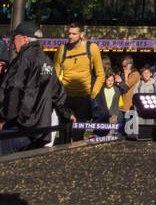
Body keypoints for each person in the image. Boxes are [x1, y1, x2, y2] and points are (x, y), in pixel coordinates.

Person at [0, 22, 67, 155]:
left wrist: (4, 118)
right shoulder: (46, 60)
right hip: (40, 131)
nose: (13, 42)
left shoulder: (23, 59)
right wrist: (68, 113)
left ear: (24, 38)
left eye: (15, 38)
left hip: (20, 127)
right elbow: (58, 92)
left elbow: (15, 89)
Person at [53, 22, 104, 124]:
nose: (70, 36)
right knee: (64, 132)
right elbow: (55, 76)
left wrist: (92, 95)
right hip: (65, 98)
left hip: (84, 99)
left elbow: (101, 75)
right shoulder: (62, 49)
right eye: (69, 33)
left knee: (78, 133)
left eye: (74, 34)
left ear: (81, 34)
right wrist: (58, 95)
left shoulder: (92, 48)